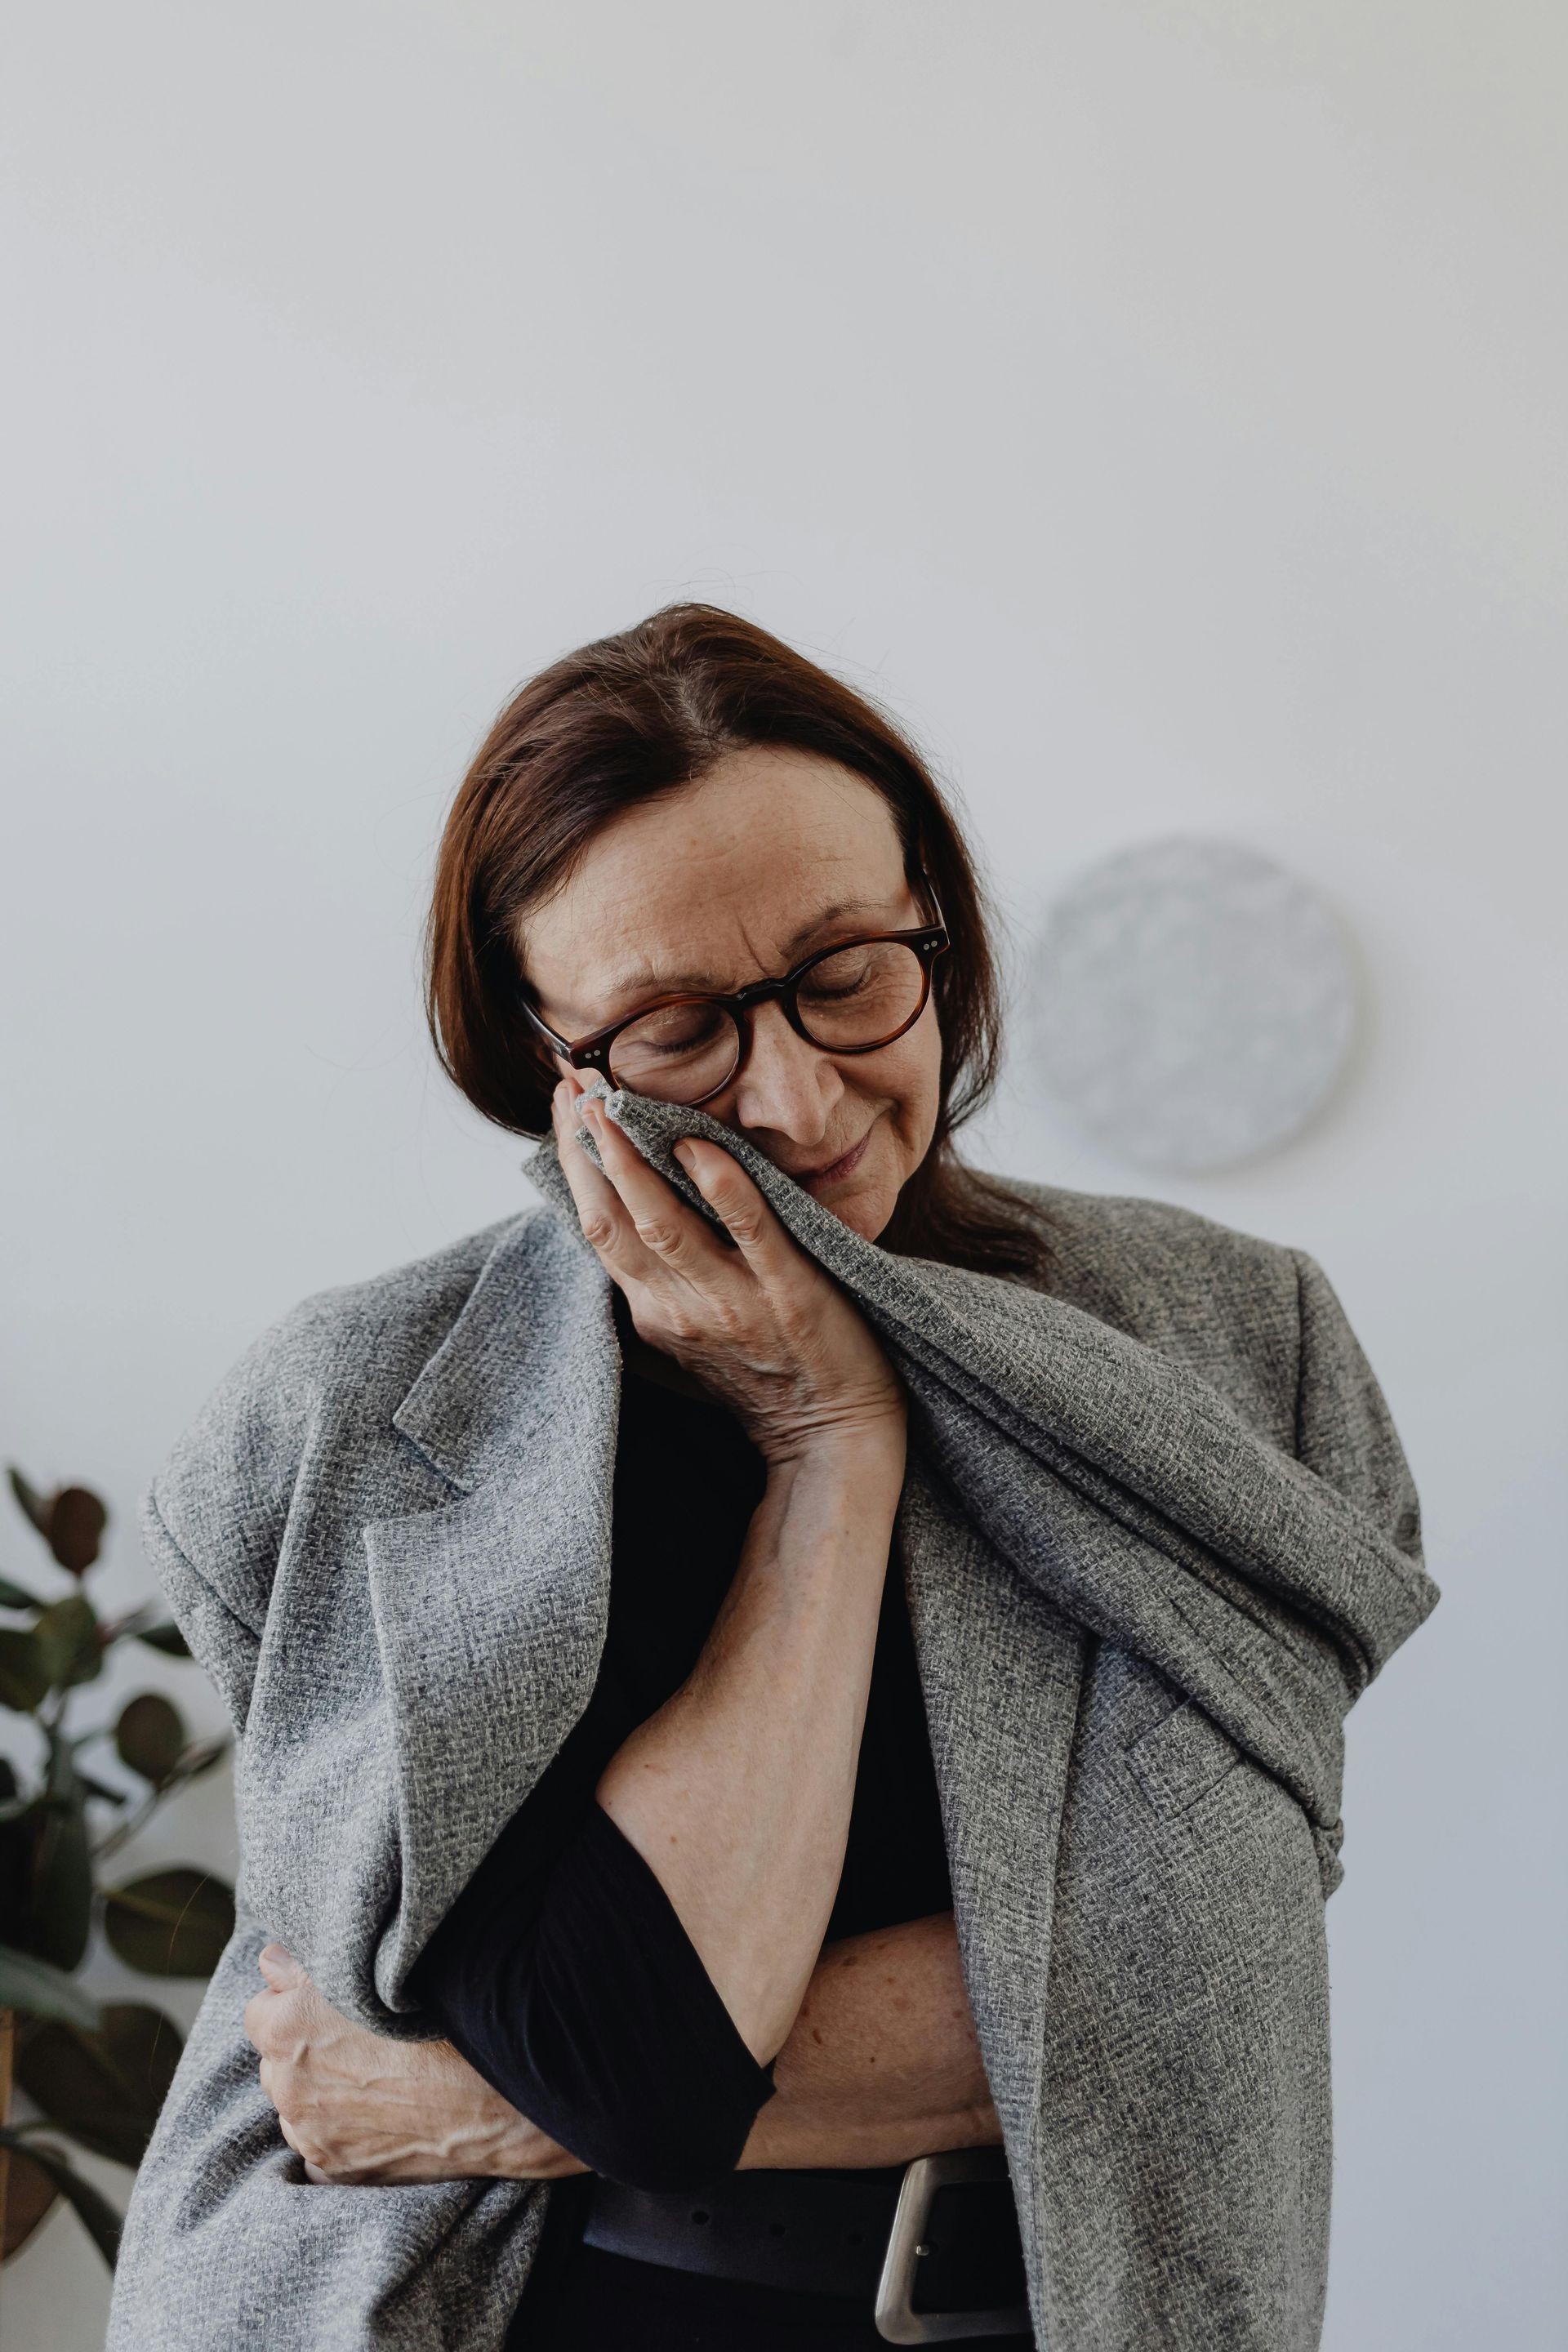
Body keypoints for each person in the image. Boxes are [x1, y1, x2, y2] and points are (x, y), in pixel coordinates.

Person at [106, 604, 1433, 2352]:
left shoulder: (1236, 1344)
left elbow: (1210, 1976)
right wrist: (827, 1448)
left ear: (937, 937)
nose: (799, 1098)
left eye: (845, 973)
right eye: (675, 1029)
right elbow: (633, 2054)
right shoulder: (358, 1416)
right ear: (542, 1061)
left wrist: (494, 2104)